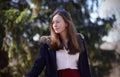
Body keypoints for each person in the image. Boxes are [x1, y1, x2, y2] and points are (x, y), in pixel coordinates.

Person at [26, 9, 91, 77]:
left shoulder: (79, 40)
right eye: (53, 22)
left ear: (66, 23)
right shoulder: (47, 43)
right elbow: (37, 66)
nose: (54, 25)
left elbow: (85, 67)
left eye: (57, 22)